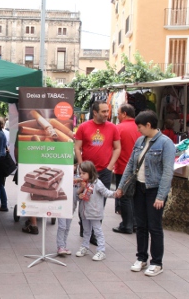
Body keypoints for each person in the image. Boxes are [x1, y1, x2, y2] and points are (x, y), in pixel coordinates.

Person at [116, 110, 175, 277]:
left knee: (154, 227)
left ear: (149, 125)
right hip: (139, 189)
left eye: (140, 126)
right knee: (140, 225)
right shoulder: (140, 141)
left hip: (154, 189)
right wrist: (121, 187)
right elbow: (130, 165)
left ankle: (157, 263)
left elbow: (167, 172)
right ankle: (141, 258)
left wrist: (161, 196)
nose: (138, 130)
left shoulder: (166, 143)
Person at [74, 100, 121, 243]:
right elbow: (77, 147)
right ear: (95, 112)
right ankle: (84, 225)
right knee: (83, 198)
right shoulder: (83, 127)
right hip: (87, 172)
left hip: (104, 171)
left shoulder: (113, 128)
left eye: (108, 111)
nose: (107, 114)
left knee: (100, 202)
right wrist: (82, 167)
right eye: (104, 111)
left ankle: (94, 233)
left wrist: (110, 166)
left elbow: (117, 148)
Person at [76, 161, 118, 261]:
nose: (81, 175)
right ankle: (85, 247)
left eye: (83, 173)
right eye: (80, 173)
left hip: (94, 212)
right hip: (84, 212)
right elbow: (78, 195)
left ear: (90, 172)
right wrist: (80, 194)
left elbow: (106, 192)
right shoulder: (82, 183)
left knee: (97, 231)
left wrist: (116, 194)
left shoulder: (97, 183)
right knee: (86, 231)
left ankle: (101, 250)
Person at [113, 104, 141, 234]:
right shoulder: (140, 127)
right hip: (140, 169)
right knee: (136, 197)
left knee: (124, 197)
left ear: (124, 114)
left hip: (123, 167)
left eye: (118, 114)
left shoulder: (118, 128)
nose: (117, 116)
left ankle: (127, 225)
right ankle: (135, 223)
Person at [56, 156, 79, 254]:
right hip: (61, 205)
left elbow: (78, 193)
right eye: (71, 165)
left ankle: (64, 245)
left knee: (67, 226)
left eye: (75, 165)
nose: (73, 167)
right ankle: (60, 246)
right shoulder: (62, 175)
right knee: (62, 226)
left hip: (71, 207)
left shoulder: (79, 177)